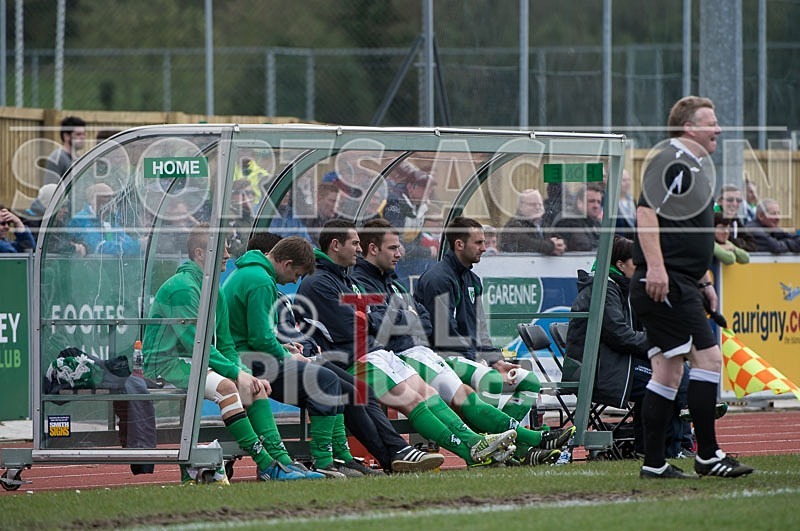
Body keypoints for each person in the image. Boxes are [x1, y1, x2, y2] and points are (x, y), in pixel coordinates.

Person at [295, 219, 518, 467]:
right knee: (414, 398)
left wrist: (383, 318)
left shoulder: (356, 280)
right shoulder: (324, 281)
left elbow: (419, 320)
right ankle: (481, 449)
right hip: (362, 356)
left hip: (384, 352)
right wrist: (393, 317)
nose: (399, 253)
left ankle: (482, 444)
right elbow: (355, 325)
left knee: (430, 393)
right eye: (355, 243)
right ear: (337, 245)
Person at [353, 218, 574, 465]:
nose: (400, 253)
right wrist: (408, 319)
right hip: (429, 355)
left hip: (431, 354)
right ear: (459, 244)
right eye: (393, 248)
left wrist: (494, 359)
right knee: (482, 383)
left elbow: (426, 322)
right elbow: (431, 330)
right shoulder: (434, 278)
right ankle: (526, 442)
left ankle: (510, 448)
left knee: (529, 381)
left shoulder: (407, 282)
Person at [630, 95, 753, 479]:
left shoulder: (695, 167)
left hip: (682, 282)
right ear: (689, 127)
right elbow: (645, 212)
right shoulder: (673, 159)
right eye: (711, 122)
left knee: (668, 373)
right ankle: (708, 455)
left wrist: (703, 281)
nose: (718, 129)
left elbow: (686, 232)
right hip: (665, 284)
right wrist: (656, 268)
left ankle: (654, 464)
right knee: (709, 359)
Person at [143, 225, 324, 482]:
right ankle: (266, 463)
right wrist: (236, 374)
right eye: (222, 248)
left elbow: (225, 344)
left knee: (254, 386)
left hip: (195, 360)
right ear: (200, 253)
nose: (228, 254)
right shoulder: (182, 287)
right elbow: (199, 345)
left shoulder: (214, 288)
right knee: (229, 386)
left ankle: (282, 462)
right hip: (166, 363)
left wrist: (245, 374)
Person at [256, 231, 446, 474]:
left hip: (315, 355)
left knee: (361, 391)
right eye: (355, 243)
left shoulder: (339, 280)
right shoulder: (280, 282)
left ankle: (387, 454)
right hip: (306, 360)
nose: (359, 249)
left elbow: (413, 322)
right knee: (339, 386)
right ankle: (331, 460)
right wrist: (290, 351)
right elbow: (351, 326)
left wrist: (295, 347)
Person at [222, 235, 381, 478]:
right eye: (296, 275)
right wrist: (289, 358)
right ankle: (325, 460)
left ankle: (340, 457)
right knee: (326, 381)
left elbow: (253, 334)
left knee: (332, 381)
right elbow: (259, 339)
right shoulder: (261, 281)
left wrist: (284, 349)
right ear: (286, 264)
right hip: (247, 362)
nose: (293, 282)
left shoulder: (251, 273)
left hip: (248, 356)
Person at [68, 183, 141, 256]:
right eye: (106, 197)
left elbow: (125, 239)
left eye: (113, 197)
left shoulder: (109, 220)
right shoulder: (81, 220)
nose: (111, 201)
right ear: (92, 199)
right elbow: (99, 248)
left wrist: (139, 244)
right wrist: (139, 245)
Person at [499, 189, 566, 255]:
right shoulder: (513, 225)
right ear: (521, 206)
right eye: (532, 204)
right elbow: (526, 244)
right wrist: (551, 246)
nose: (537, 207)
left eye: (540, 204)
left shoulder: (543, 224)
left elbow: (559, 239)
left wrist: (560, 245)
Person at [551, 184, 603, 252]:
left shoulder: (596, 222)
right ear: (579, 203)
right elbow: (582, 246)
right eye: (591, 201)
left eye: (598, 202)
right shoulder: (568, 220)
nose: (596, 206)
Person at [44, 116, 86, 184]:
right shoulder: (57, 158)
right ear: (66, 136)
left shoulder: (78, 158)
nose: (83, 137)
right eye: (78, 134)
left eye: (84, 134)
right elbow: (50, 186)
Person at [715, 185, 757, 252]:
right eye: (730, 200)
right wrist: (740, 243)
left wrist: (736, 244)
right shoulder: (712, 219)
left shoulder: (735, 219)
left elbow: (753, 245)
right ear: (719, 201)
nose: (734, 204)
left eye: (738, 200)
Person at [615, 170, 637, 238]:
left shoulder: (632, 200)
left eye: (628, 180)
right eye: (624, 180)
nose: (627, 183)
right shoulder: (613, 203)